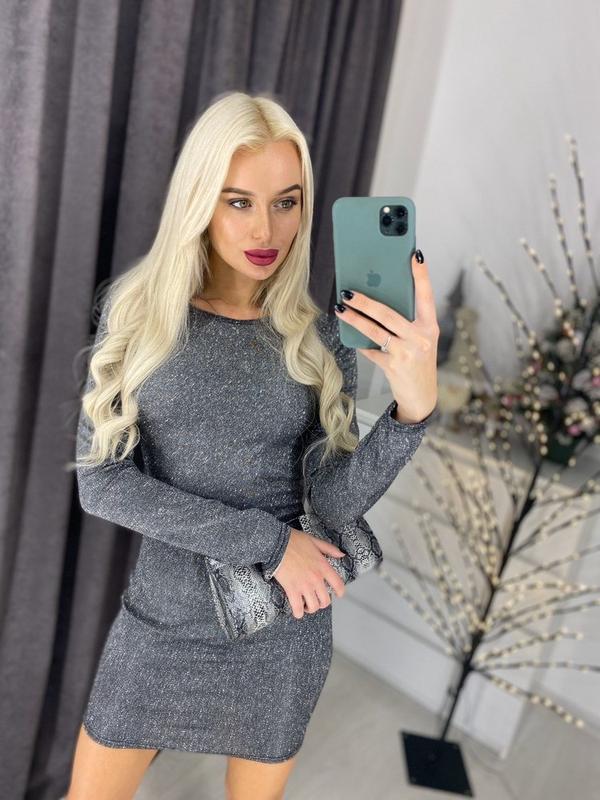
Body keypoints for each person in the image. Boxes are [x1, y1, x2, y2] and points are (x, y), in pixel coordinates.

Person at [65, 90, 438, 800]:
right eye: (239, 201)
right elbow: (102, 484)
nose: (267, 228)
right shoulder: (139, 315)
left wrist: (411, 412)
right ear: (200, 199)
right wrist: (268, 543)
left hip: (282, 632)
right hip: (162, 622)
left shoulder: (319, 338)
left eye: (286, 202)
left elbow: (332, 500)